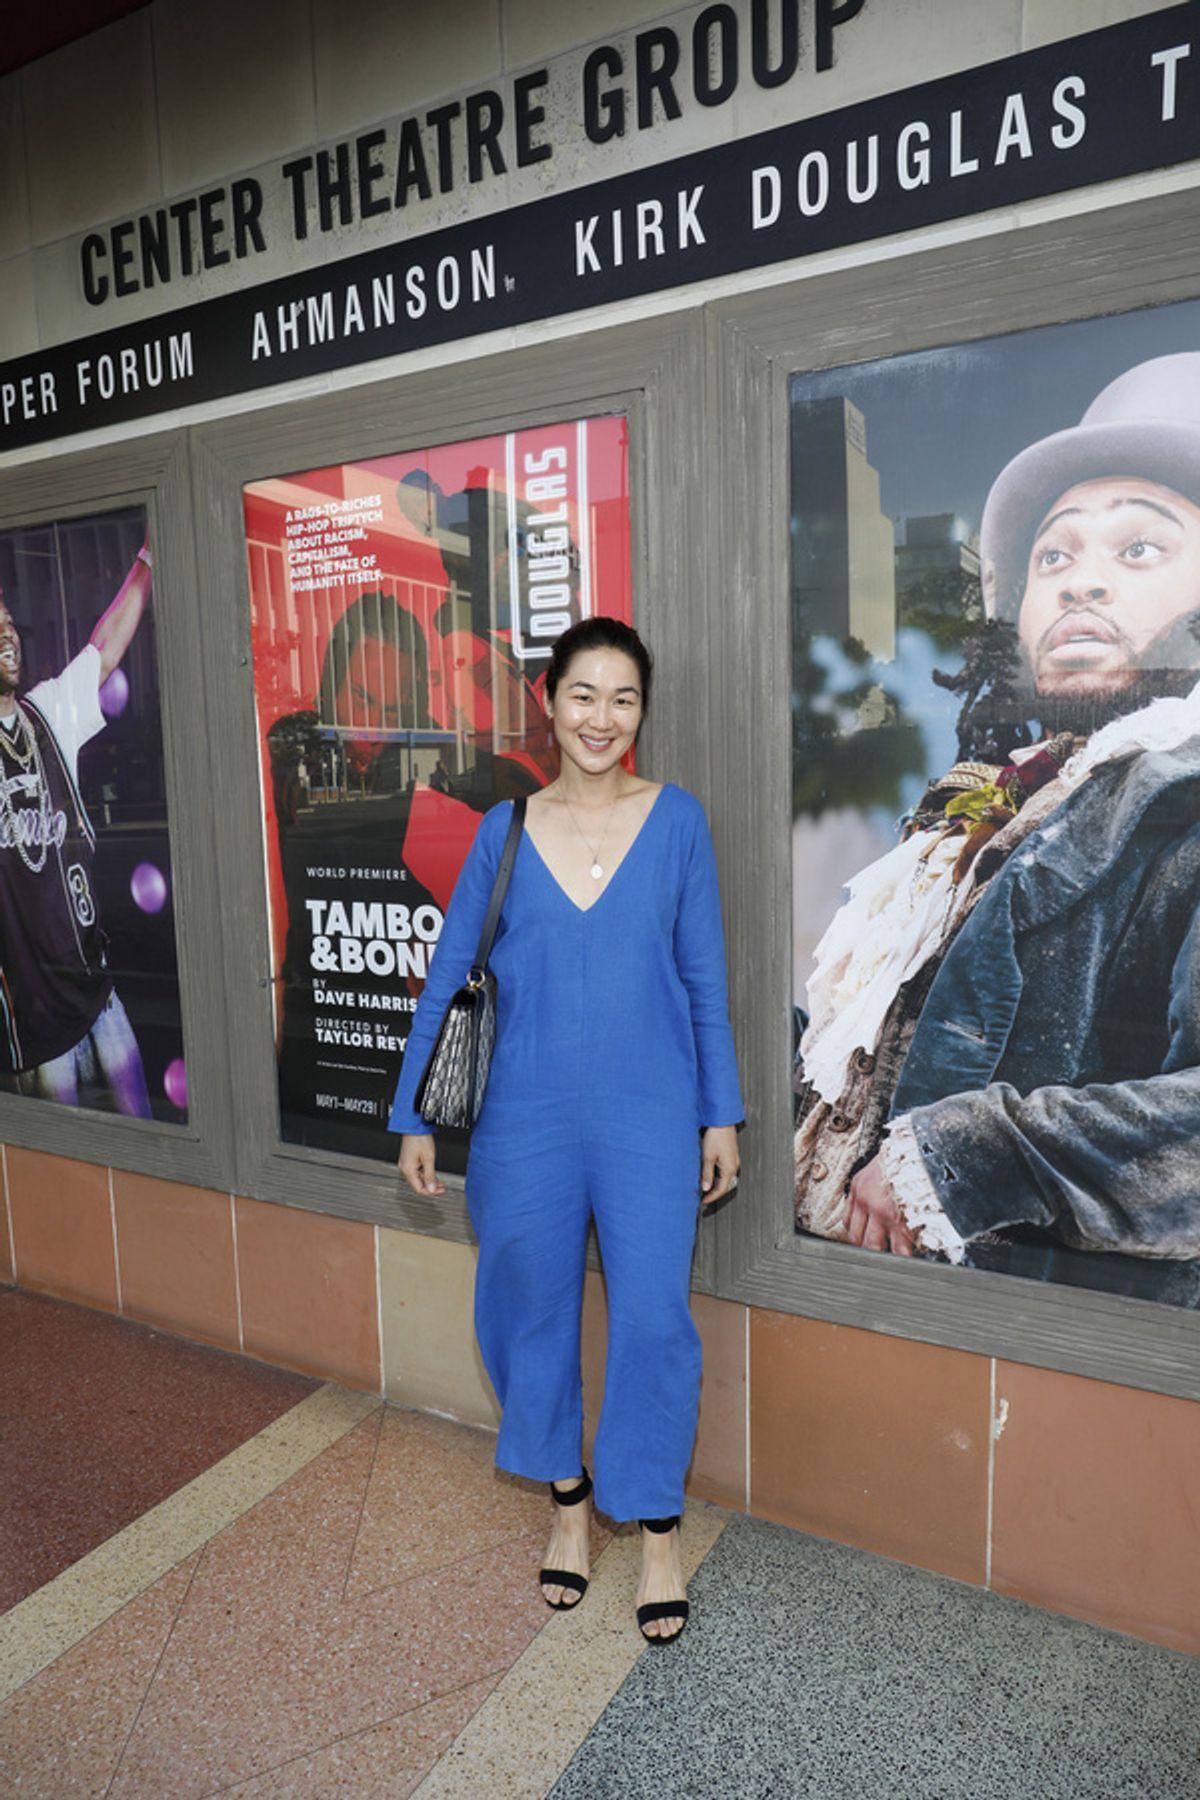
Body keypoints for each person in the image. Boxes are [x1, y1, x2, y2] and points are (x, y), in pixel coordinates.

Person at [795, 353, 1200, 1303]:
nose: (1080, 583)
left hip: (1064, 1350)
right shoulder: (1001, 799)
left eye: (1139, 549)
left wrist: (961, 1157)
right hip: (905, 1314)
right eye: (1054, 556)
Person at [392, 616, 742, 1640]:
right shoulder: (502, 831)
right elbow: (448, 977)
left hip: (650, 1117)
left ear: (642, 712)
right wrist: (416, 1111)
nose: (602, 717)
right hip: (523, 1122)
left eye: (624, 698)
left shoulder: (678, 822)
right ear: (549, 702)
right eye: (584, 694)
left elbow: (705, 983)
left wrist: (720, 1111)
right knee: (527, 1312)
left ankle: (660, 1528)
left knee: (652, 1324)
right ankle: (568, 1506)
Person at [0, 537, 153, 1114]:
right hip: (33, 1014)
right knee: (68, 1177)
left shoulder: (48, 711)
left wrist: (147, 560)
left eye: (9, 621)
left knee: (141, 1131)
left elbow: (106, 647)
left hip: (94, 988)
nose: (7, 633)